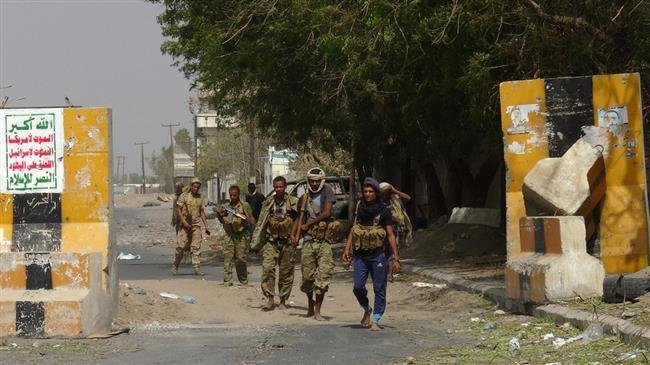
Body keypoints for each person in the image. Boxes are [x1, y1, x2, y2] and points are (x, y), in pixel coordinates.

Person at [342, 177, 400, 331]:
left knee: (379, 287)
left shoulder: (384, 210)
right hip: (360, 255)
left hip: (378, 255)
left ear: (376, 193)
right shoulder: (359, 207)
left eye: (370, 191)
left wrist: (395, 257)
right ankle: (367, 308)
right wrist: (347, 248)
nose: (367, 194)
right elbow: (354, 229)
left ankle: (376, 319)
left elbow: (390, 234)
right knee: (358, 287)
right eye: (365, 191)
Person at [292, 167, 337, 321]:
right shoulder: (304, 197)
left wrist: (309, 224)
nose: (315, 184)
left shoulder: (328, 192)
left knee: (323, 276)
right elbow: (299, 217)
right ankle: (310, 304)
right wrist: (294, 234)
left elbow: (327, 213)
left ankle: (318, 310)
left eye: (317, 181)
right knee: (307, 278)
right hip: (308, 241)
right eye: (312, 181)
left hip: (324, 241)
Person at [256, 176, 299, 310]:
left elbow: (299, 218)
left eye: (281, 187)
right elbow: (261, 221)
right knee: (268, 269)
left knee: (286, 272)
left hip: (287, 242)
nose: (278, 189)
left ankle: (283, 299)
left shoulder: (293, 202)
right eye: (276, 187)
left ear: (285, 187)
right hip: (271, 241)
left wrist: (294, 235)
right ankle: (270, 298)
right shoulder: (269, 202)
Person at [216, 185, 255, 286]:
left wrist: (246, 220)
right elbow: (222, 221)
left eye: (235, 195)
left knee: (240, 258)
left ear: (238, 195)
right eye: (231, 195)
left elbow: (251, 219)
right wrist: (220, 214)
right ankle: (227, 280)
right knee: (227, 258)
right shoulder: (226, 206)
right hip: (229, 235)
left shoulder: (244, 205)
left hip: (241, 235)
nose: (233, 197)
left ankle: (243, 280)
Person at [173, 177, 210, 276]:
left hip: (195, 225)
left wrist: (206, 226)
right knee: (181, 247)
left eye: (197, 187)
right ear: (191, 186)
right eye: (194, 187)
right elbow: (178, 210)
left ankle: (197, 268)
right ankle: (176, 265)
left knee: (196, 247)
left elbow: (201, 212)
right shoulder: (184, 196)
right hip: (184, 226)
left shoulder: (200, 198)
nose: (196, 189)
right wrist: (184, 222)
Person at [379, 182, 413, 282]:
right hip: (380, 229)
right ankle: (382, 271)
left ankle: (389, 273)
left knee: (392, 251)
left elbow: (408, 198)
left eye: (387, 192)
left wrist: (395, 191)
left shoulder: (394, 199)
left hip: (393, 228)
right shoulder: (377, 201)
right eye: (383, 193)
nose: (385, 195)